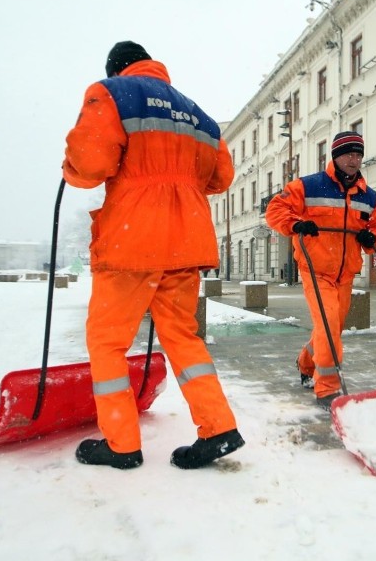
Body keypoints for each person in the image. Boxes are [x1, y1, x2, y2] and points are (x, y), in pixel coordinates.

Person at [61, 41, 244, 469]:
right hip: (186, 240)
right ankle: (218, 427)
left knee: (107, 341)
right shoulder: (196, 113)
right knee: (183, 336)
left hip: (133, 241)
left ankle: (121, 443)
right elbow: (221, 177)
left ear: (115, 68)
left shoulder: (110, 93)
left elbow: (90, 165)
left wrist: (70, 166)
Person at [265, 132, 376, 408]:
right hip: (315, 269)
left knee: (332, 328)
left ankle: (306, 362)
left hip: (345, 273)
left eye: (358, 155)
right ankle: (328, 388)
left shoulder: (369, 197)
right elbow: (276, 209)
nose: (354, 160)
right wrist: (296, 224)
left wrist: (372, 239)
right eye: (349, 154)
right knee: (329, 324)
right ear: (335, 156)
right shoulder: (307, 186)